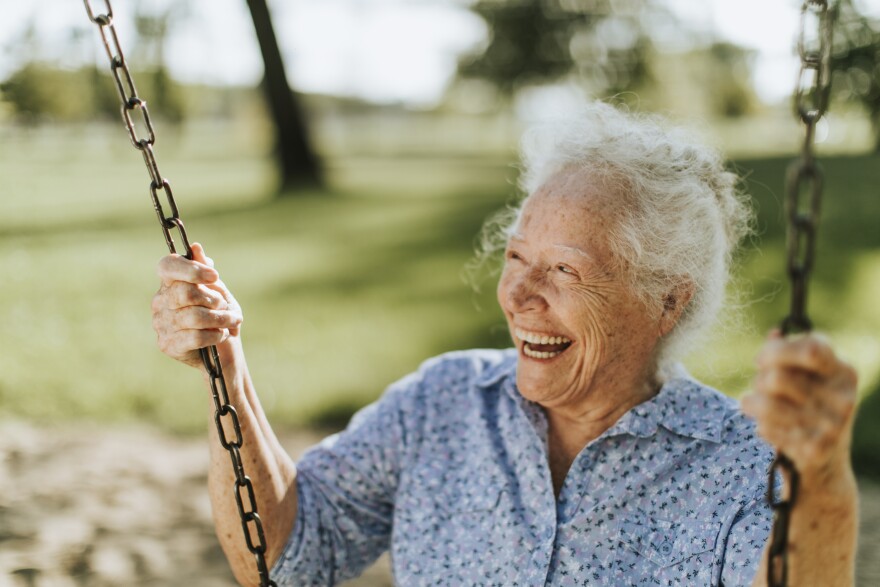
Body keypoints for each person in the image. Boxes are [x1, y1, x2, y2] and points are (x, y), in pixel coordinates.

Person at [150, 103, 859, 586]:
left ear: (666, 299)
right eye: (517, 259)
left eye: (564, 271)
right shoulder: (442, 402)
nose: (518, 297)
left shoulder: (736, 460)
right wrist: (227, 369)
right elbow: (285, 556)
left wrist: (822, 474)